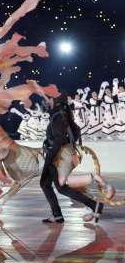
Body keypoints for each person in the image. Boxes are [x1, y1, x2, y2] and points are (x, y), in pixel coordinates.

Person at [40, 94, 103, 224]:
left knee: (52, 185)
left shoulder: (58, 116)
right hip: (61, 154)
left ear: (54, 100)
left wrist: (47, 161)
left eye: (48, 98)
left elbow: (58, 140)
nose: (46, 101)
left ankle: (92, 205)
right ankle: (58, 215)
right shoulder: (61, 114)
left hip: (59, 156)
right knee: (52, 185)